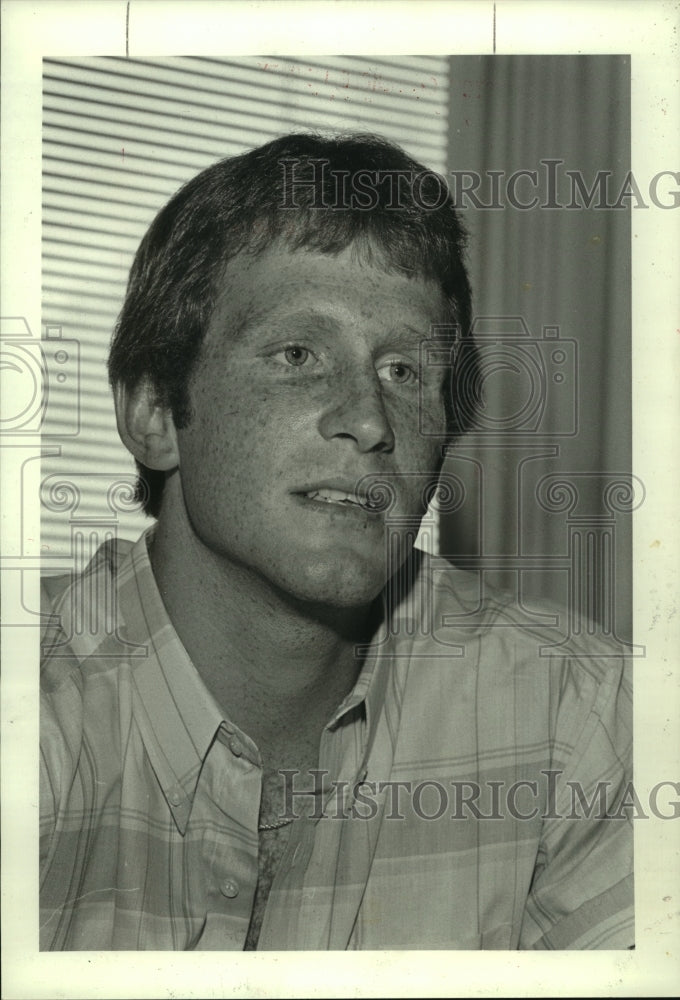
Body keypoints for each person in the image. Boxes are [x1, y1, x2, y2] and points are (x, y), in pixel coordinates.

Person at [39, 132, 633, 951]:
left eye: (405, 372)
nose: (368, 419)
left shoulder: (572, 713)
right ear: (152, 414)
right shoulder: (35, 718)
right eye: (298, 354)